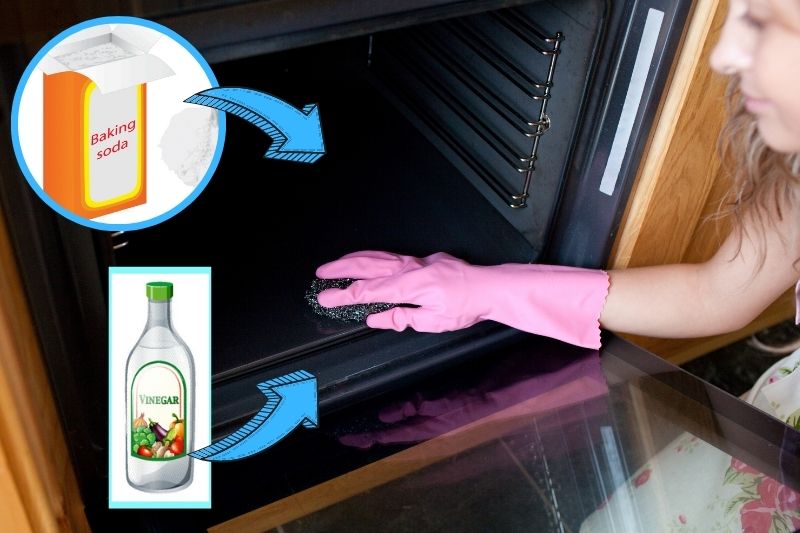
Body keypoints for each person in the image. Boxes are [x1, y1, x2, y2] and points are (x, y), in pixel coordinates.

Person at [317, 0, 800, 529]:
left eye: (760, 20)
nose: (724, 55)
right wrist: (488, 290)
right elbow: (723, 293)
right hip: (773, 432)